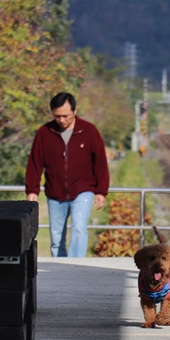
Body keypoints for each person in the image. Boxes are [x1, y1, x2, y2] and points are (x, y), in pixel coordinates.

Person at [25, 92, 110, 257]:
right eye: (57, 116)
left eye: (65, 116)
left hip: (82, 190)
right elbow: (35, 162)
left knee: (79, 228)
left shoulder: (89, 131)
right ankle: (59, 268)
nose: (62, 120)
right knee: (57, 238)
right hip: (55, 194)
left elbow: (100, 162)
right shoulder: (45, 132)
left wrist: (101, 191)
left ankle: (76, 266)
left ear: (75, 111)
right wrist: (32, 190)